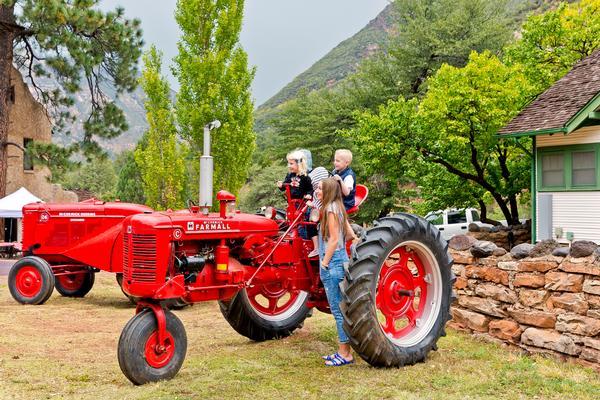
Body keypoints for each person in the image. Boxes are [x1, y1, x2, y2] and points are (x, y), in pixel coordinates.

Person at [316, 177, 357, 366]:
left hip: (332, 262)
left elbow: (333, 240)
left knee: (338, 310)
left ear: (328, 191)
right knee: (340, 309)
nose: (317, 191)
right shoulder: (338, 207)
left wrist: (324, 263)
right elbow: (349, 235)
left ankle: (345, 354)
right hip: (340, 259)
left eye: (319, 189)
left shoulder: (330, 209)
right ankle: (342, 351)